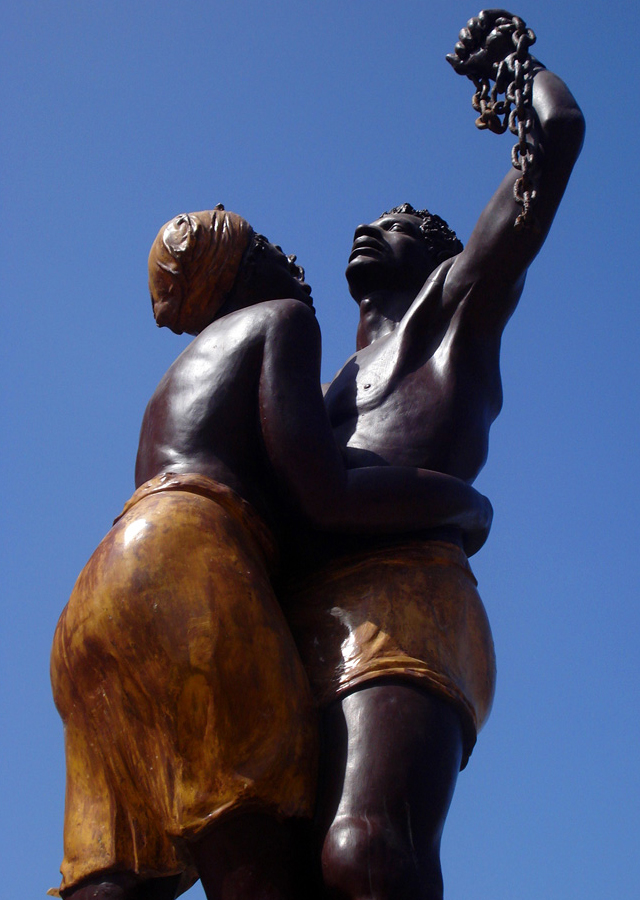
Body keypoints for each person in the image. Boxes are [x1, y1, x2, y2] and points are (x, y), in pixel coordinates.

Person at [51, 206, 492, 900]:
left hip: (97, 598)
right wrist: (462, 504)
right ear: (241, 268)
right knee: (260, 860)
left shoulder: (178, 380)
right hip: (186, 563)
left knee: (117, 877)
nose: (292, 258)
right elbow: (324, 497)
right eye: (268, 246)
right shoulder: (283, 322)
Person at [283, 11, 585, 900]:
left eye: (405, 222)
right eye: (373, 219)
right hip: (307, 610)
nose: (376, 227)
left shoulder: (454, 313)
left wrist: (511, 66)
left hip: (408, 597)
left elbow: (556, 140)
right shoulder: (319, 381)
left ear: (449, 256)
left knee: (370, 853)